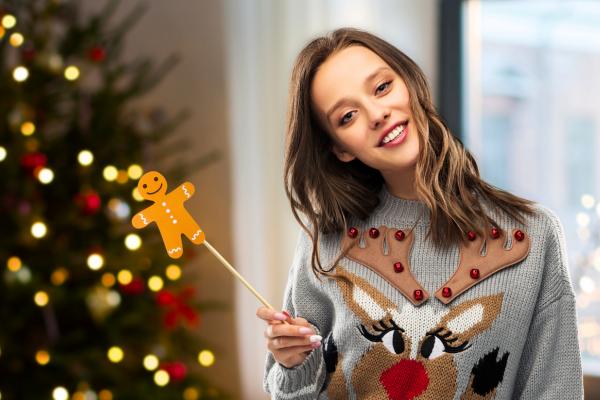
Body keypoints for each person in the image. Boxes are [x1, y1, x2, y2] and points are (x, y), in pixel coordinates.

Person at [256, 27, 584, 399]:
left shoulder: (533, 236)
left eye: (382, 88)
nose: (377, 113)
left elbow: (556, 389)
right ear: (339, 148)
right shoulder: (325, 243)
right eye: (348, 116)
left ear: (410, 83)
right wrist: (293, 365)